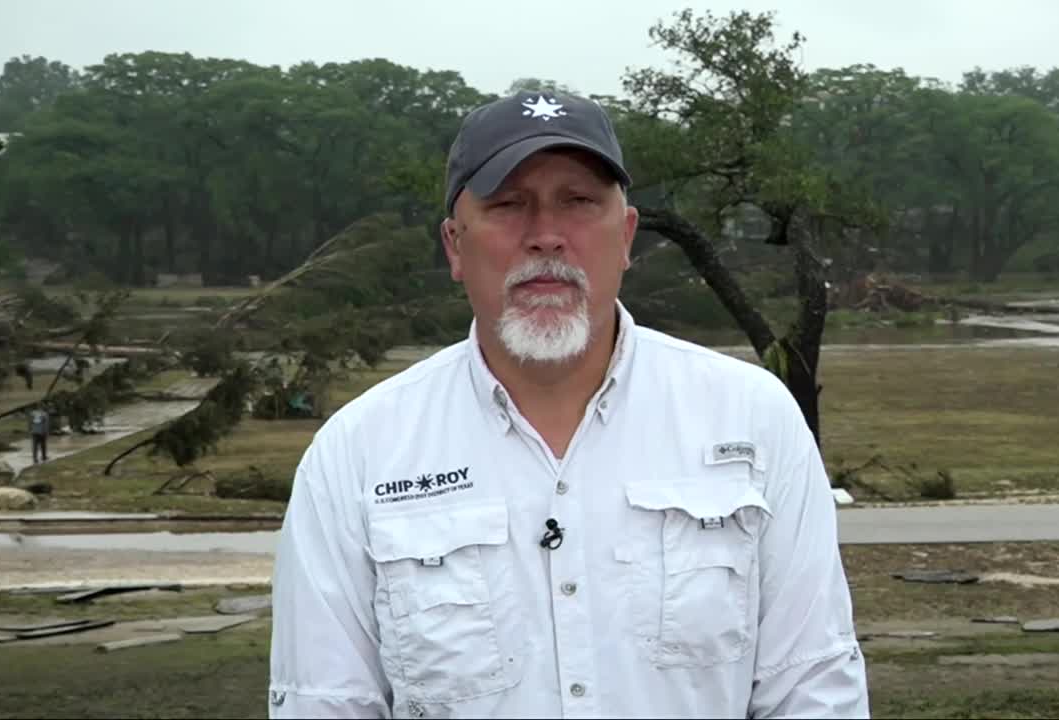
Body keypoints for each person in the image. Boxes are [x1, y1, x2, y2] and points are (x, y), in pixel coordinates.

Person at [268, 89, 869, 718]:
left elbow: (814, 688)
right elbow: (323, 703)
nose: (546, 237)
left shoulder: (753, 418)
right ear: (454, 245)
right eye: (508, 205)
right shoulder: (358, 454)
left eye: (578, 202)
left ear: (626, 235)